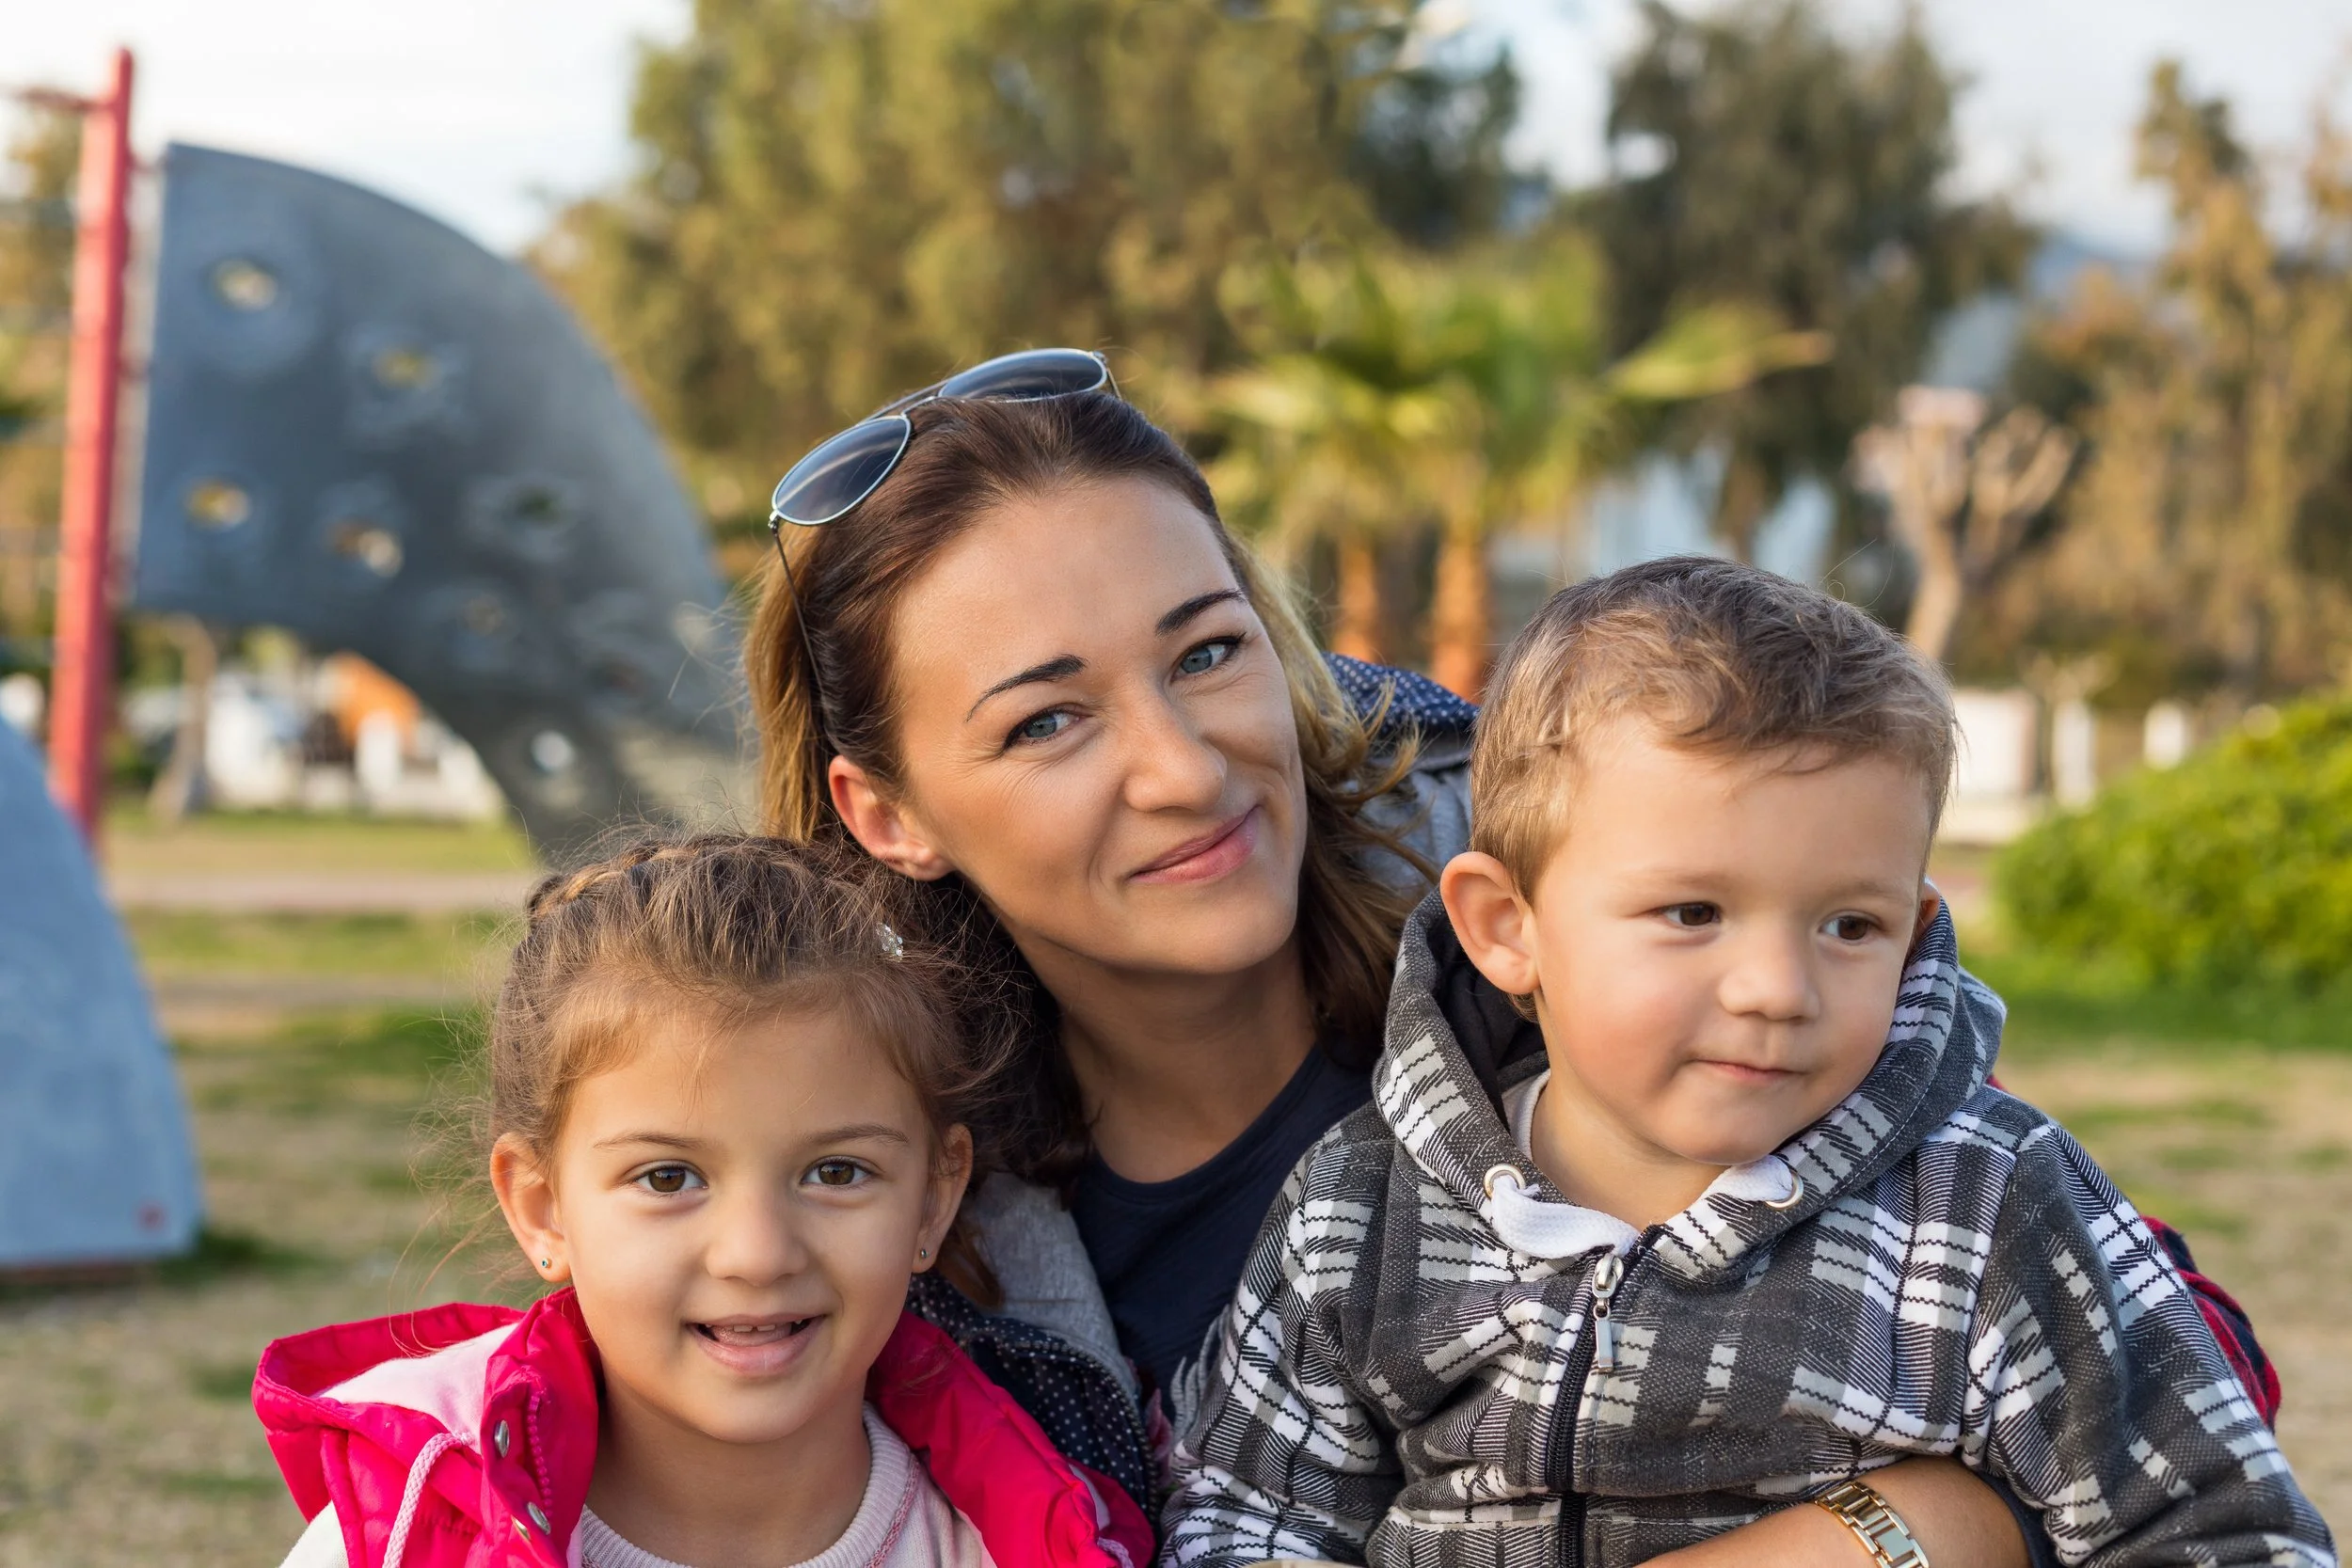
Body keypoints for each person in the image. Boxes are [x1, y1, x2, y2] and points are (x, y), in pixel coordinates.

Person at [745, 350, 2275, 1564]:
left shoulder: (1637, 939)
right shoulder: (896, 1227)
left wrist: (1913, 1529)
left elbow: (2189, 1360)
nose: (1184, 766)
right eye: (1048, 719)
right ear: (889, 814)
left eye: (1207, 652)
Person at [1161, 560, 2332, 1568]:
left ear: (1916, 930)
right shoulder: (1358, 1210)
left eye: (1848, 926)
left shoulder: (1982, 1206)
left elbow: (2220, 1526)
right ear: (1507, 926)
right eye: (1691, 911)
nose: (1777, 986)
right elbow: (1248, 1514)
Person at [253, 837, 1152, 1568]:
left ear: (932, 1199)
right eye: (668, 1178)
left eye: (836, 1172)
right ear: (542, 1208)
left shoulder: (1031, 1535)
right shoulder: (410, 1532)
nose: (758, 1254)